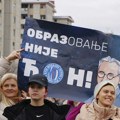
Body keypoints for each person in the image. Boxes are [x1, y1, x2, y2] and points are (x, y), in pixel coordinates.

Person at [3, 74, 70, 120]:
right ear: (28, 90)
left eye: (39, 87)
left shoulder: (56, 113)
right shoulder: (16, 112)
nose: (35, 90)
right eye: (32, 87)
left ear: (46, 91)